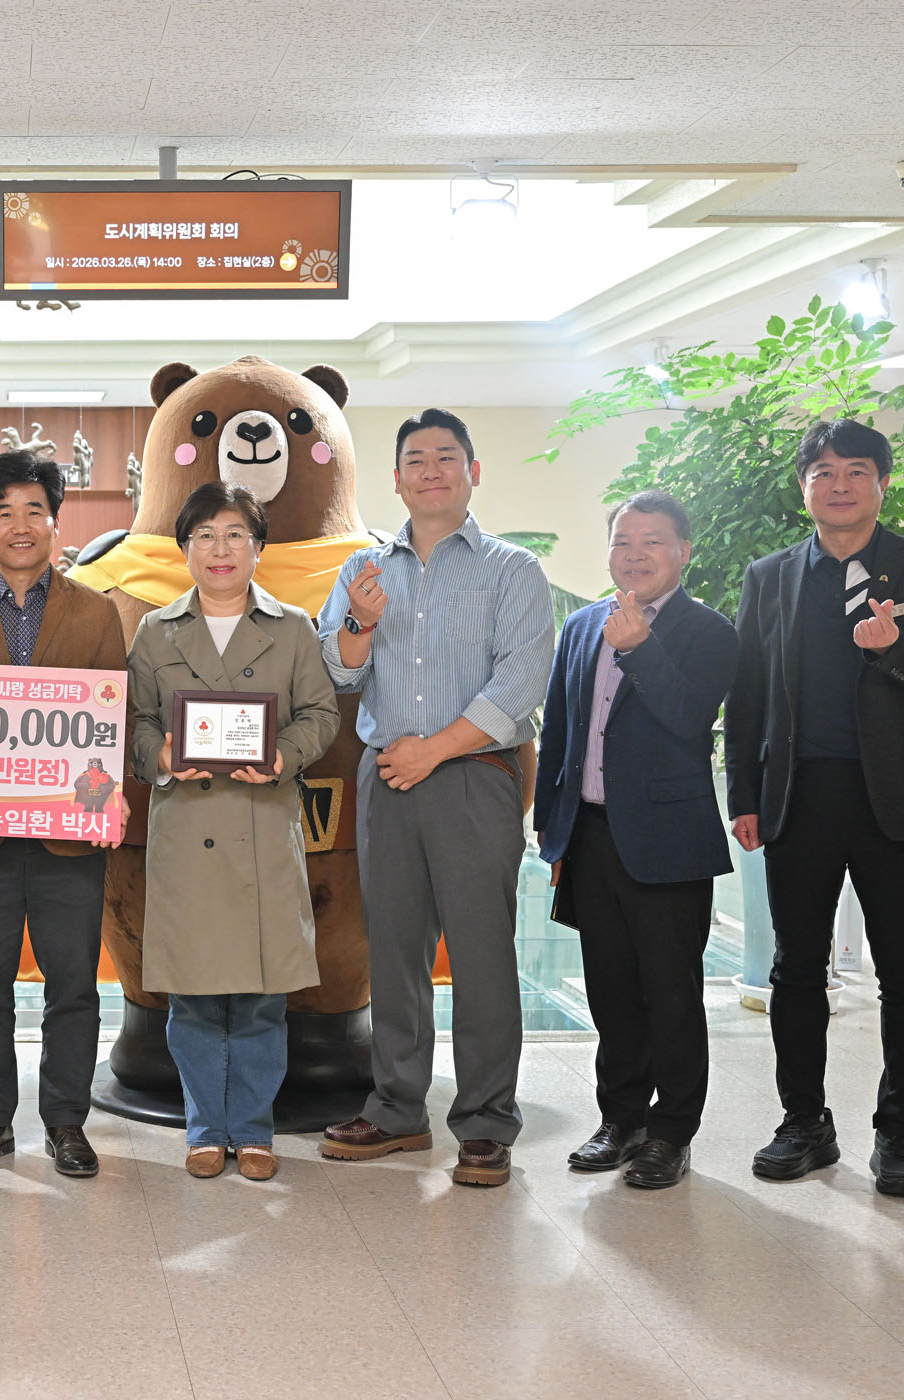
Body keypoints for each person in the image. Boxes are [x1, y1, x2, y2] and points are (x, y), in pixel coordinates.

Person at [727, 419, 904, 1198]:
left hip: (891, 800)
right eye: (823, 472)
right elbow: (749, 693)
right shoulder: (769, 576)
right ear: (804, 487)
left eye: (856, 470)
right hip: (798, 797)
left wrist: (892, 648)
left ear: (882, 483)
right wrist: (744, 795)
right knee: (796, 969)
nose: (839, 485)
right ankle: (805, 1122)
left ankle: (900, 1135)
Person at [315, 408, 553, 1187]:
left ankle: (485, 1123)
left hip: (474, 776)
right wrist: (360, 622)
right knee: (394, 950)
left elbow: (520, 681)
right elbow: (338, 670)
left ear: (472, 472)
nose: (431, 471)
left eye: (446, 457)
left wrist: (436, 749)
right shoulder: (363, 570)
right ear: (396, 480)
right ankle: (395, 1109)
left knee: (481, 954)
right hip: (388, 777)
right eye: (415, 460)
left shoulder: (512, 570)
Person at [0, 449, 127, 1179]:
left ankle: (67, 1124)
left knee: (73, 987)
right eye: (4, 512)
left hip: (69, 838)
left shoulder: (96, 614)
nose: (20, 525)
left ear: (54, 522)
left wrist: (108, 798)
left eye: (34, 511)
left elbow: (111, 721)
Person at [128, 482, 339, 1180]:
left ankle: (251, 1130)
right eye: (205, 536)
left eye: (235, 535)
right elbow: (136, 721)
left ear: (258, 548)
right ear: (185, 548)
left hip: (262, 824)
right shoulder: (155, 631)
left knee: (260, 999)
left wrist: (284, 756)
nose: (220, 550)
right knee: (191, 998)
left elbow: (321, 715)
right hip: (186, 830)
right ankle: (203, 1128)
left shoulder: (295, 628)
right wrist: (159, 755)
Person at [534, 491, 738, 1189]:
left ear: (683, 552)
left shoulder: (710, 632)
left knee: (671, 994)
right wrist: (550, 822)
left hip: (668, 839)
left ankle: (671, 1132)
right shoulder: (581, 625)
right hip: (590, 834)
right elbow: (559, 730)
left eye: (653, 541)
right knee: (611, 990)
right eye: (623, 541)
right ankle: (620, 1119)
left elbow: (690, 719)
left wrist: (641, 649)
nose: (635, 554)